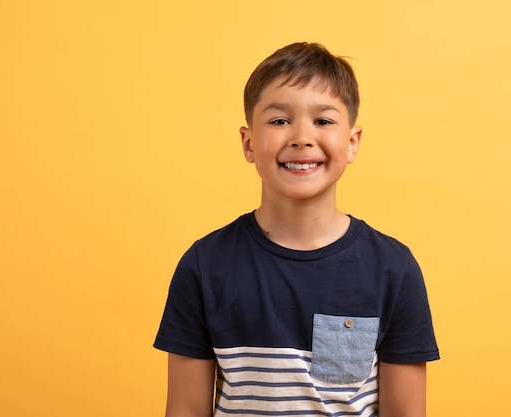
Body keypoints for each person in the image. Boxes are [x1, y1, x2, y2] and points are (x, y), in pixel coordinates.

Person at [154, 42, 439, 417]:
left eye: (323, 121)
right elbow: (185, 411)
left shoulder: (394, 269)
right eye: (279, 121)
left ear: (351, 143)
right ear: (248, 142)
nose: (302, 137)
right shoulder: (204, 265)